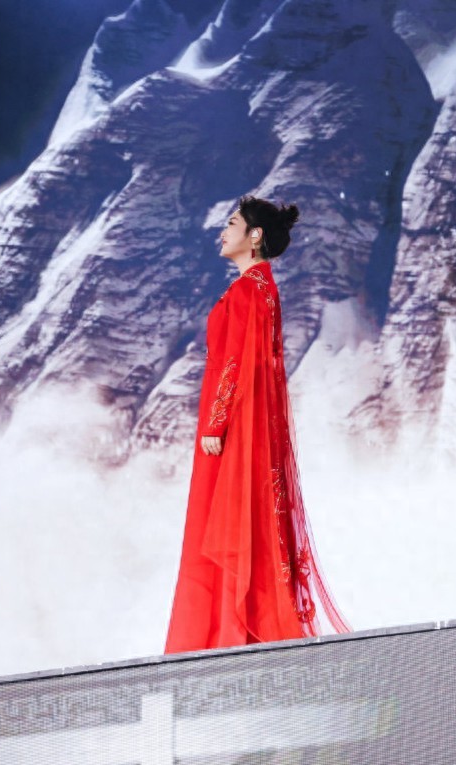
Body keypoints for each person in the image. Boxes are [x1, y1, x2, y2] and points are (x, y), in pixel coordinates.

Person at [165, 196, 348, 653]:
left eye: (232, 223)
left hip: (233, 426)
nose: (222, 231)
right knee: (250, 519)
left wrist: (216, 423)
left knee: (222, 518)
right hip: (248, 423)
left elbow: (234, 362)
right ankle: (240, 631)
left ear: (255, 235)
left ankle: (226, 634)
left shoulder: (249, 290)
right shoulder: (264, 288)